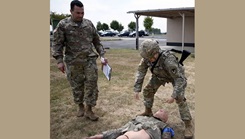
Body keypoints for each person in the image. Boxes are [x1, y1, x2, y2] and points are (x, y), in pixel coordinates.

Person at [51, 0, 107, 121]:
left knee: (91, 84)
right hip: (73, 61)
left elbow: (97, 41)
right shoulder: (63, 25)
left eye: (82, 13)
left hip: (89, 60)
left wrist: (102, 55)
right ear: (71, 11)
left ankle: (89, 109)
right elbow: (57, 44)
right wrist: (59, 60)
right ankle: (80, 106)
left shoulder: (88, 24)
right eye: (78, 13)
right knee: (77, 86)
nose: (81, 15)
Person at [133, 39, 194, 138]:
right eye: (147, 58)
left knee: (180, 98)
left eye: (151, 57)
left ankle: (188, 124)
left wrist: (173, 95)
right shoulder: (146, 57)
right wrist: (137, 88)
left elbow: (179, 79)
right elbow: (141, 72)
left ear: (156, 53)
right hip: (159, 76)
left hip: (175, 77)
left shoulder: (168, 60)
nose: (149, 60)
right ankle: (148, 111)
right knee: (148, 90)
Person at [84, 109, 174, 139]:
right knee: (110, 134)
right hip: (127, 131)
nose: (161, 110)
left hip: (143, 134)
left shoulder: (163, 125)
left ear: (164, 119)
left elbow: (167, 135)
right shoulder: (141, 117)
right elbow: (121, 129)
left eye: (163, 111)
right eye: (159, 109)